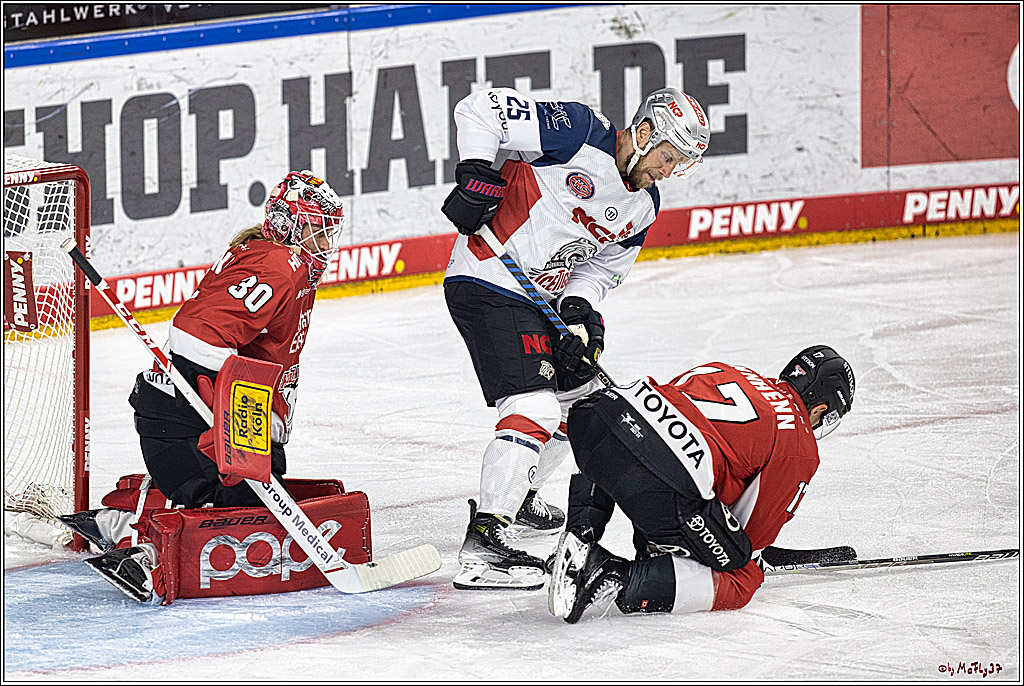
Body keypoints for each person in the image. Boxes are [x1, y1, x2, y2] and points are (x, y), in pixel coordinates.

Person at [440, 86, 711, 590]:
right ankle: (485, 541)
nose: (670, 172)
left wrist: (580, 311)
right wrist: (476, 169)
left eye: (681, 165)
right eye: (669, 157)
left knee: (585, 404)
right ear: (646, 132)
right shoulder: (579, 132)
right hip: (488, 279)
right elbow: (479, 109)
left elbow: (602, 268)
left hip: (540, 298)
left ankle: (517, 493)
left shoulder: (643, 206)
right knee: (534, 407)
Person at [58, 170, 345, 601]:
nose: (326, 246)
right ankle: (138, 549)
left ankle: (124, 512)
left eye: (329, 234)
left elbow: (276, 357)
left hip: (184, 412)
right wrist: (235, 407)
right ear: (288, 224)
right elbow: (193, 335)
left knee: (264, 485)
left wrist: (272, 412)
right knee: (243, 503)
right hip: (177, 421)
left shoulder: (291, 267)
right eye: (316, 232)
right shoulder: (277, 266)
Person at [547, 345, 855, 623]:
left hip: (596, 417)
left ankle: (580, 534)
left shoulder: (733, 370)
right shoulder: (799, 445)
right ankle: (612, 574)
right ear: (819, 408)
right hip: (657, 479)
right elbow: (751, 537)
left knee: (620, 438)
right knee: (741, 575)